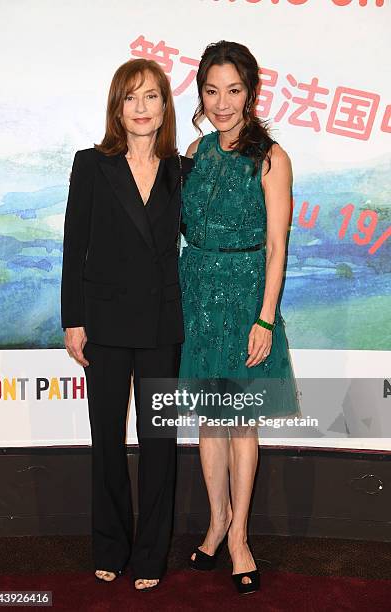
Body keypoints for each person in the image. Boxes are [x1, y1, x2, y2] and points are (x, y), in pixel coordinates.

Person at [61, 58, 193, 591]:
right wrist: (73, 319)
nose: (141, 108)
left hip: (163, 322)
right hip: (106, 323)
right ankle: (111, 547)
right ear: (117, 107)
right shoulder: (92, 164)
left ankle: (151, 557)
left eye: (152, 97)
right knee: (107, 440)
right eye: (130, 98)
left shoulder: (183, 171)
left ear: (166, 106)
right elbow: (75, 246)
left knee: (159, 443)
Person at [179, 41, 300, 594]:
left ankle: (240, 537)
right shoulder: (195, 152)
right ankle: (215, 520)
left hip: (248, 296)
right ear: (200, 93)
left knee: (241, 421)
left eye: (233, 90)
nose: (221, 102)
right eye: (211, 90)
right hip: (197, 295)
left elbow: (278, 245)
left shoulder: (272, 157)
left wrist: (266, 319)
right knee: (210, 418)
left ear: (251, 93)